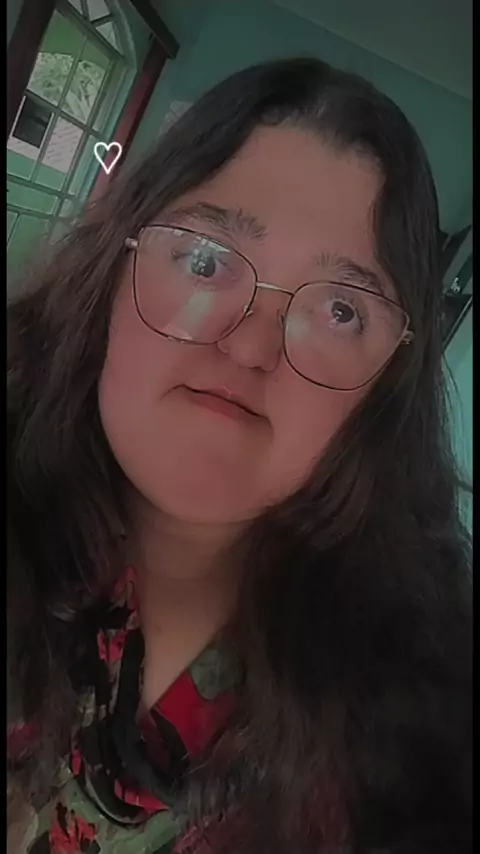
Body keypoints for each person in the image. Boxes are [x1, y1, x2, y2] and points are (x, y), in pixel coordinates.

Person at [7, 57, 472, 854]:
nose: (251, 346)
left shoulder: (427, 715)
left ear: (385, 388)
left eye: (340, 310)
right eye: (205, 259)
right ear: (115, 270)